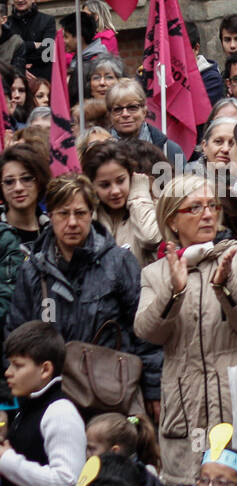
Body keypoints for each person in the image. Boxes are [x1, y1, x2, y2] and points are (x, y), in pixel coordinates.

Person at [135, 175, 237, 486]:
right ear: (172, 221)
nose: (208, 214)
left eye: (212, 206)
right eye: (194, 208)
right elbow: (147, 332)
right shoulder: (155, 274)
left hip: (236, 400)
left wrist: (227, 286)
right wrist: (173, 290)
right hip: (186, 408)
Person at [6, 173, 160, 409]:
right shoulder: (33, 270)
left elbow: (144, 330)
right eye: (63, 213)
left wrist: (152, 388)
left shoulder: (119, 262)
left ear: (91, 214)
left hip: (109, 395)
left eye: (80, 213)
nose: (72, 223)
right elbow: (15, 335)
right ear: (50, 215)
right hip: (49, 398)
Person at [0, 322, 84, 486]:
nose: (8, 373)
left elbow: (65, 482)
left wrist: (7, 459)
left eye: (18, 366)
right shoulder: (28, 406)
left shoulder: (60, 412)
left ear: (45, 369)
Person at [83, 140, 160, 268]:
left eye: (120, 181)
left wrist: (139, 195)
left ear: (131, 176)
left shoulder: (153, 206)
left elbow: (150, 238)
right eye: (105, 185)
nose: (115, 191)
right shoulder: (89, 213)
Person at [105, 79, 183, 163]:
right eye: (117, 109)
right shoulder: (100, 148)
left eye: (132, 108)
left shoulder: (170, 150)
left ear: (144, 111)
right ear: (109, 115)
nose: (125, 114)